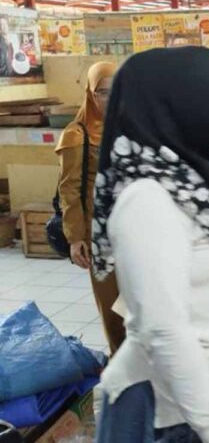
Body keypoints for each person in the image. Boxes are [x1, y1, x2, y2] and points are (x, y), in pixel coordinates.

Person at [91, 47, 209, 443]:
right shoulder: (147, 199)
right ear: (187, 107)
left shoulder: (190, 180)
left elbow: (201, 264)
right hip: (174, 414)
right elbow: (163, 329)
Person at [55, 61, 125, 354]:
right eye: (103, 92)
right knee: (112, 307)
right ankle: (121, 363)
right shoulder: (77, 135)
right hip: (100, 237)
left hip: (134, 231)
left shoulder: (128, 127)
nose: (110, 99)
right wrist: (75, 238)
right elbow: (69, 189)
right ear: (91, 95)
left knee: (140, 303)